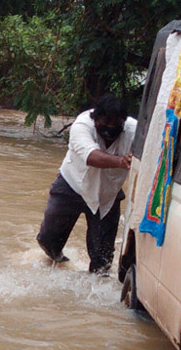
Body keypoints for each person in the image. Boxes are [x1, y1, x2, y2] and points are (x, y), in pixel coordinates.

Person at [35, 93, 136, 274]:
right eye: (105, 124)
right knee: (48, 240)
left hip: (107, 195)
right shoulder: (82, 124)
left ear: (123, 123)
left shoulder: (134, 131)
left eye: (115, 126)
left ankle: (97, 286)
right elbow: (91, 157)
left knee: (103, 259)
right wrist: (122, 161)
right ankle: (58, 262)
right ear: (95, 120)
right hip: (71, 185)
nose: (109, 130)